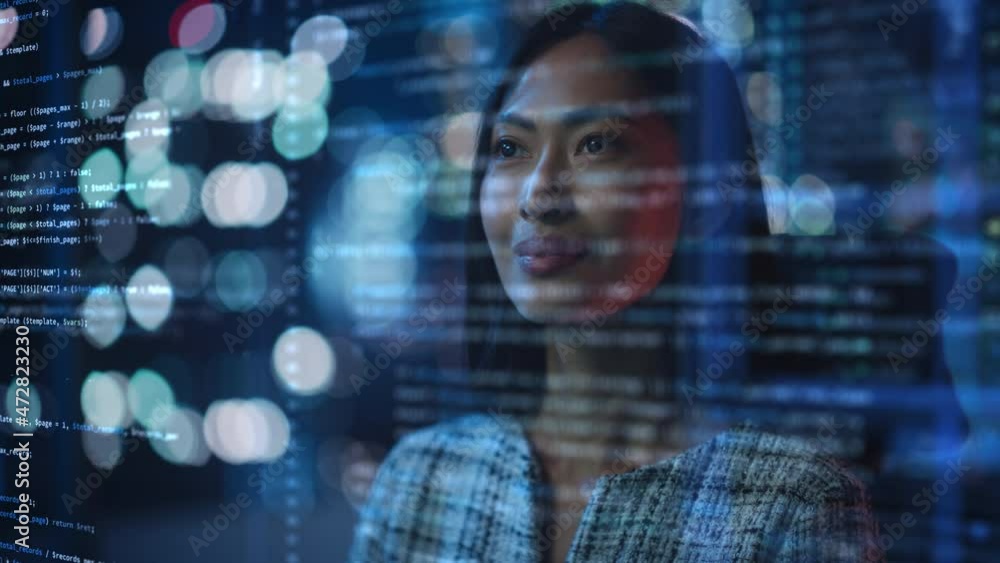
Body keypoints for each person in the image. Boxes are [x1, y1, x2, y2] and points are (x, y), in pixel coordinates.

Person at [349, 2, 882, 561]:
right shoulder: (422, 482)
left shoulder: (790, 506)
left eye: (596, 144)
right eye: (511, 149)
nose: (538, 196)